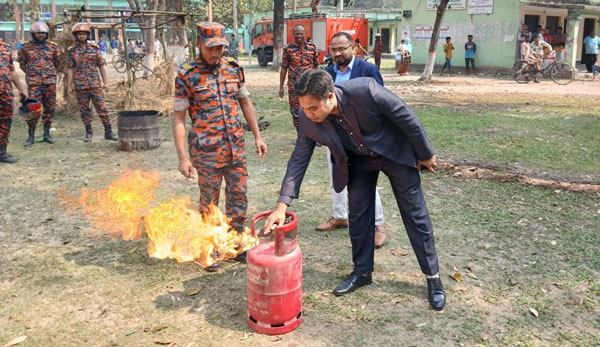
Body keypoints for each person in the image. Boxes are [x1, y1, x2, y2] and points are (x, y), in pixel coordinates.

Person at [263, 70, 445, 311]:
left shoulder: (366, 90)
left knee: (414, 214)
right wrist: (281, 205)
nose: (308, 114)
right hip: (358, 162)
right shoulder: (307, 117)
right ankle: (362, 272)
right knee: (358, 216)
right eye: (304, 108)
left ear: (330, 96)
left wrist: (426, 154)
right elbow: (299, 158)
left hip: (394, 154)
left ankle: (433, 278)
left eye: (313, 108)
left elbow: (407, 117)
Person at [172, 22, 267, 260]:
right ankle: (210, 249)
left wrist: (257, 136)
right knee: (209, 203)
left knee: (238, 198)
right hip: (206, 153)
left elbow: (245, 103)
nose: (216, 53)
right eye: (210, 48)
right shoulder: (187, 75)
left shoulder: (233, 68)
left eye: (220, 48)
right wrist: (183, 158)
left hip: (235, 148)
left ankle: (235, 245)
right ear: (198, 45)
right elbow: (179, 119)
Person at [319, 31, 388, 247]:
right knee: (336, 176)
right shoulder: (327, 73)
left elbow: (381, 100)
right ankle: (340, 216)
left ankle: (378, 224)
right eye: (334, 49)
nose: (338, 53)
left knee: (365, 180)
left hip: (361, 136)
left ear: (353, 48)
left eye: (342, 48)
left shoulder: (367, 70)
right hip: (335, 135)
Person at [66, 23, 118, 142]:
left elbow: (101, 66)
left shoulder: (94, 49)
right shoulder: (72, 51)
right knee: (84, 110)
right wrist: (69, 85)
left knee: (102, 108)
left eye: (84, 34)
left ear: (87, 35)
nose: (82, 36)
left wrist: (106, 82)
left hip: (95, 85)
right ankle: (88, 133)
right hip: (80, 86)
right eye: (79, 34)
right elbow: (70, 68)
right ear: (76, 36)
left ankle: (108, 132)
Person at [17, 21, 59, 147]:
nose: (41, 35)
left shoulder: (53, 47)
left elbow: (56, 63)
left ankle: (47, 134)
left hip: (49, 83)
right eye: (38, 33)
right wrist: (32, 75)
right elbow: (22, 64)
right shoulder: (25, 48)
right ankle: (31, 136)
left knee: (50, 108)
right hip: (34, 84)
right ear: (33, 34)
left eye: (43, 33)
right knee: (33, 109)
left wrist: (48, 74)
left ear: (47, 34)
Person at [279, 24, 319, 131]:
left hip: (310, 86)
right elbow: (284, 68)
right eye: (297, 34)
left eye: (301, 33)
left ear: (305, 34)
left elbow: (316, 66)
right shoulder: (288, 49)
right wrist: (281, 86)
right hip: (294, 87)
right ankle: (301, 136)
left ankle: (313, 135)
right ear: (293, 35)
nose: (299, 36)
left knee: (312, 108)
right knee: (296, 110)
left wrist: (317, 82)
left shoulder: (312, 48)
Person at [0, 38, 28, 163]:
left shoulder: (5, 48)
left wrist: (21, 89)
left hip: (6, 93)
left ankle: (2, 152)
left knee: (5, 122)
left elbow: (12, 71)